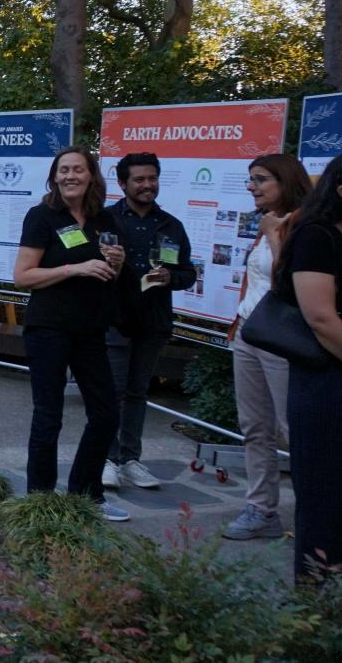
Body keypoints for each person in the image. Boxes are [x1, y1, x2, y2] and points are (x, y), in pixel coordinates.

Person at [13, 146, 129, 522]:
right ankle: (40, 502)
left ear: (91, 175)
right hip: (49, 328)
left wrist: (118, 263)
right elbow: (23, 276)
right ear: (54, 176)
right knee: (49, 417)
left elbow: (111, 272)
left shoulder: (105, 220)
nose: (70, 176)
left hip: (91, 329)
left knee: (107, 415)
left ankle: (86, 493)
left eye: (78, 169)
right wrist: (74, 269)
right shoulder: (42, 216)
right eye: (64, 170)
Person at [225, 153, 311, 540]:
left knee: (294, 429)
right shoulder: (269, 222)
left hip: (283, 339)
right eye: (251, 179)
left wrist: (276, 236)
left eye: (260, 179)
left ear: (285, 181)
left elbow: (291, 284)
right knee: (254, 427)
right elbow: (256, 279)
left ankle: (319, 513)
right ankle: (261, 510)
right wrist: (237, 320)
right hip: (250, 333)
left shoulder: (306, 225)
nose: (252, 187)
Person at [102, 153, 197, 493]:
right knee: (110, 391)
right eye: (139, 179)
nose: (147, 185)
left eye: (152, 178)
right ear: (123, 184)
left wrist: (171, 275)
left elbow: (189, 273)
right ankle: (107, 459)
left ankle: (131, 459)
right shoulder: (106, 220)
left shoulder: (171, 225)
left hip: (153, 321)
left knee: (137, 392)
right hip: (113, 319)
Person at [284, 148, 342, 576]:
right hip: (328, 385)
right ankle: (313, 611)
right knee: (323, 497)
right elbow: (321, 317)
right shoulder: (317, 236)